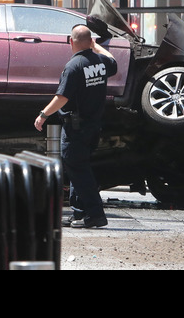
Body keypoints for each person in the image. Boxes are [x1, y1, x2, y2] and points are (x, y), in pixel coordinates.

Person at [34, 21, 117, 229]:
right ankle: (79, 213)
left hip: (75, 128)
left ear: (71, 42)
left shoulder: (73, 66)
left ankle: (96, 214)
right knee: (78, 167)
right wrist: (94, 45)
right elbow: (112, 61)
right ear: (90, 41)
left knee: (78, 169)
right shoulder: (100, 62)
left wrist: (43, 114)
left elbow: (61, 98)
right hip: (93, 126)